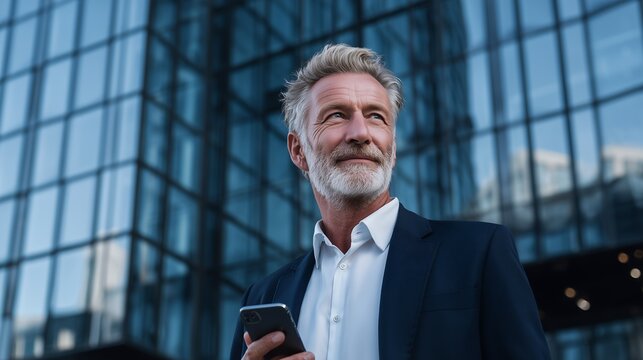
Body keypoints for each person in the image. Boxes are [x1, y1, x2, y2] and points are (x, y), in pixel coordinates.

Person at [230, 44, 551, 360]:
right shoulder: (263, 296)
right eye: (337, 115)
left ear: (392, 148)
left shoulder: (479, 252)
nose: (361, 133)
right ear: (298, 150)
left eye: (376, 117)